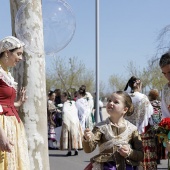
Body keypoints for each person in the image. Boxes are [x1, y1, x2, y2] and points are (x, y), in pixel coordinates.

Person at [83, 91, 144, 170]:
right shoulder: (100, 127)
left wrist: (129, 152)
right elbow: (88, 149)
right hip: (106, 167)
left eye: (116, 102)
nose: (111, 103)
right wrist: (87, 139)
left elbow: (141, 154)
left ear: (125, 109)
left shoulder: (132, 129)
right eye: (109, 100)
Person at [0, 36, 30, 169]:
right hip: (2, 127)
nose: (20, 58)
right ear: (7, 52)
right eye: (18, 54)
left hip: (13, 125)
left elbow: (4, 103)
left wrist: (18, 103)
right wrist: (2, 136)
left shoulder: (6, 74)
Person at [124, 76, 156, 169]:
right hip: (143, 131)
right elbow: (149, 113)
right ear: (138, 85)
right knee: (145, 154)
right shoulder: (143, 97)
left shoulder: (125, 97)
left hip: (127, 131)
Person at [60, 92, 83, 156]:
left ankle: (69, 150)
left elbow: (65, 111)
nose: (61, 98)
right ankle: (76, 149)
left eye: (62, 97)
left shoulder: (65, 103)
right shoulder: (73, 103)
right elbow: (75, 111)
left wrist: (64, 118)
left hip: (68, 121)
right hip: (75, 121)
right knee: (74, 135)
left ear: (65, 97)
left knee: (69, 136)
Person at [148, 89, 166, 164]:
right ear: (157, 95)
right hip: (159, 125)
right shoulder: (160, 103)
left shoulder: (148, 104)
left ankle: (153, 157)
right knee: (159, 141)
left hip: (151, 125)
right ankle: (159, 158)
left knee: (152, 141)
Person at [159, 52, 170, 118]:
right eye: (164, 73)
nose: (168, 76)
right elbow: (165, 114)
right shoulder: (165, 89)